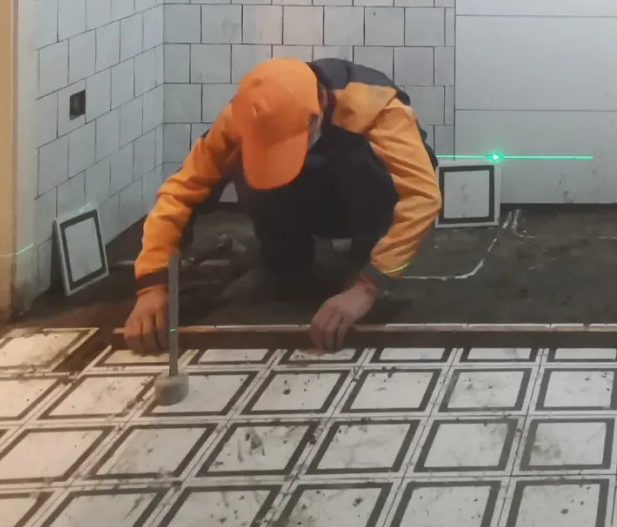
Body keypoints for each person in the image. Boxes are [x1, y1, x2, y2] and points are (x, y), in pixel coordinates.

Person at [124, 57, 442, 353]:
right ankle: (285, 263)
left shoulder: (375, 104)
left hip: (358, 199)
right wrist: (152, 285)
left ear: (319, 107)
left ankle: (362, 263)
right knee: (243, 160)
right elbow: (180, 192)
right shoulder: (244, 115)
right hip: (304, 198)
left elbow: (423, 197)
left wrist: (368, 286)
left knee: (366, 162)